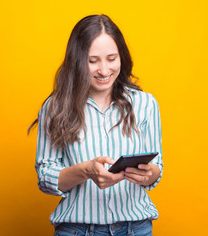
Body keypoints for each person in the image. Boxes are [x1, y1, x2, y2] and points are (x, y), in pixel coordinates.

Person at [29, 14, 163, 236]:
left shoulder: (145, 104)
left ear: (122, 57)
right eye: (93, 61)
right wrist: (85, 171)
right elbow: (45, 178)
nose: (104, 70)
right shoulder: (55, 107)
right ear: (77, 60)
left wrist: (149, 174)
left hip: (135, 229)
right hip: (77, 231)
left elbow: (157, 168)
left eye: (112, 58)